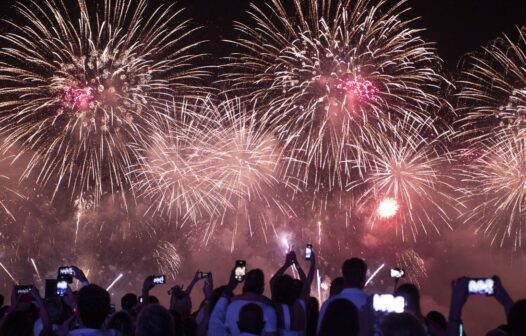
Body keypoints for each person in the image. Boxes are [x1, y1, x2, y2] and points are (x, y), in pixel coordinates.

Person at [317, 258, 368, 334]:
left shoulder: (328, 304)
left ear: (344, 277)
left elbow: (319, 332)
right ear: (364, 278)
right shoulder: (372, 304)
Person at [270, 250, 316, 336]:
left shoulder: (276, 307)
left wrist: (286, 265)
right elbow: (306, 283)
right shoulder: (301, 305)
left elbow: (272, 282)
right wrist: (298, 263)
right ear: (294, 289)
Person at [225, 268, 278, 336]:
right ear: (262, 287)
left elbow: (226, 331)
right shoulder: (270, 308)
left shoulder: (231, 305)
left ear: (245, 285)